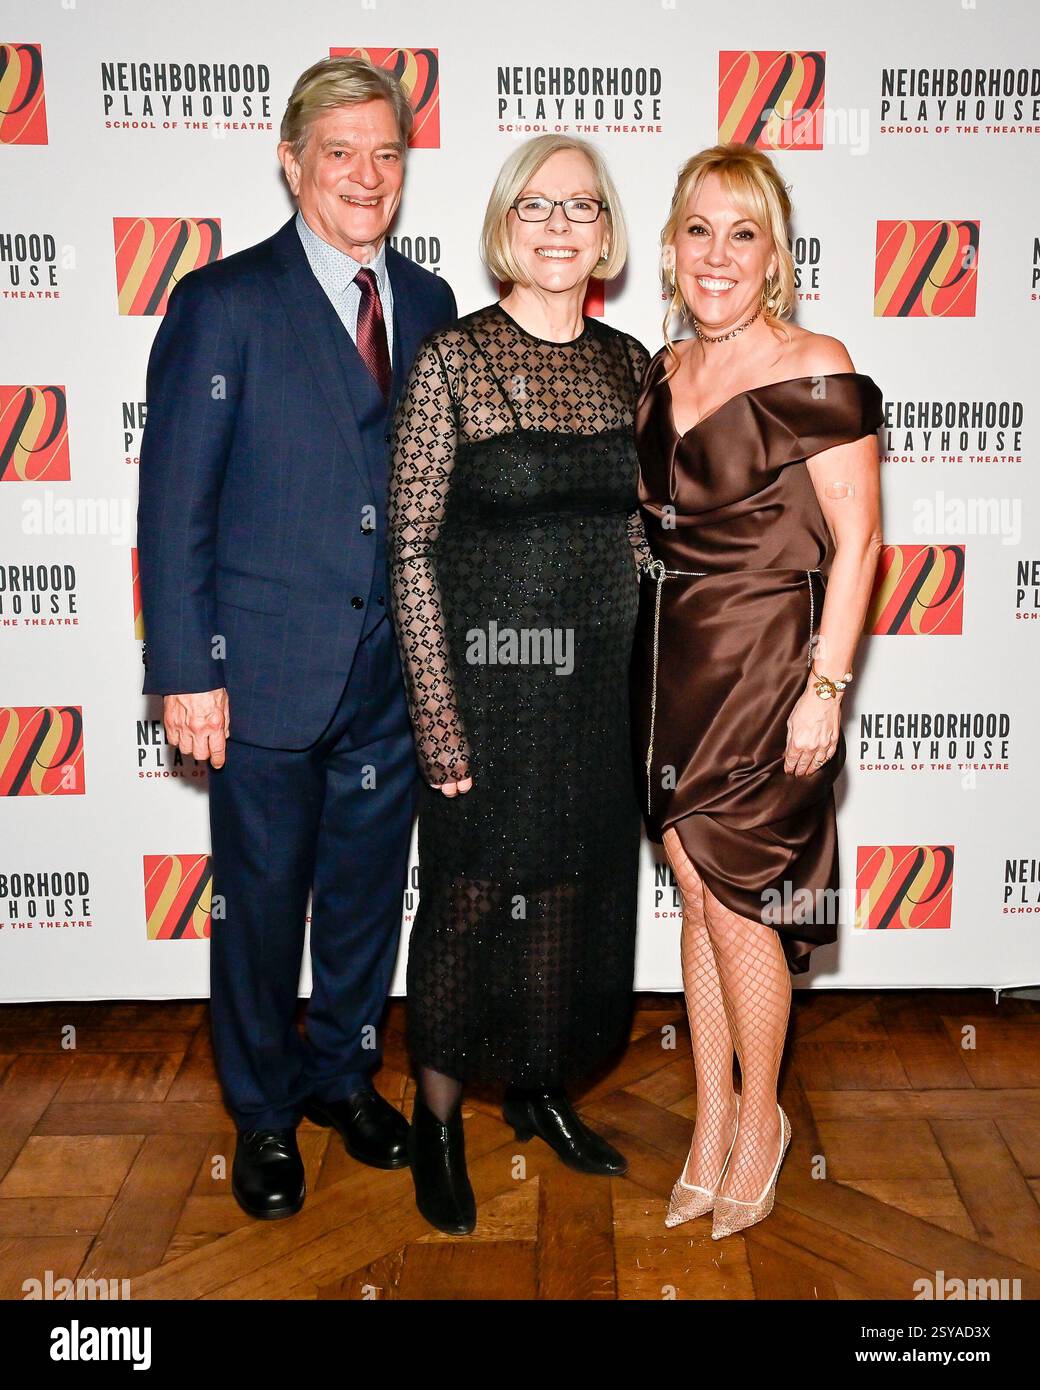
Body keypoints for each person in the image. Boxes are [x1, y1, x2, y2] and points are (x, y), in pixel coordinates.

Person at [137, 56, 457, 1220]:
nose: (365, 176)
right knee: (263, 907)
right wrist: (183, 670)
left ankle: (341, 1077)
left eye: (386, 153)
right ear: (291, 162)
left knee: (370, 900)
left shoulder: (425, 305)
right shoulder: (223, 303)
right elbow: (175, 503)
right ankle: (264, 1118)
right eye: (341, 153)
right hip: (259, 673)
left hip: (391, 681)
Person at [388, 135, 650, 1235]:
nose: (557, 227)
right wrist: (439, 720)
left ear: (604, 231)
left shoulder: (632, 363)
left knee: (572, 899)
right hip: (486, 699)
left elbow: (646, 532)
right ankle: (439, 1119)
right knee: (463, 904)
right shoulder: (451, 360)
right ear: (504, 223)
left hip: (599, 699)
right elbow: (406, 548)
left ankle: (540, 1089)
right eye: (535, 207)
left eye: (579, 208)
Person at [631, 143, 883, 1240]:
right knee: (692, 896)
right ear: (671, 246)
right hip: (668, 670)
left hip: (769, 669)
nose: (716, 252)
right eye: (697, 228)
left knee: (746, 911)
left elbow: (862, 539)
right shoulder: (660, 369)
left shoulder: (813, 364)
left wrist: (824, 687)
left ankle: (759, 1121)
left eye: (742, 231)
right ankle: (707, 1118)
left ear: (774, 252)